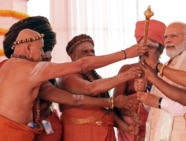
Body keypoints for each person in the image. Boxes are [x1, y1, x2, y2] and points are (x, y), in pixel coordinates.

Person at [0, 28, 147, 141]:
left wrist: (112, 102)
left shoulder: (5, 67)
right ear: (28, 48)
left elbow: (74, 99)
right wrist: (125, 54)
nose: (43, 55)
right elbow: (82, 66)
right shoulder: (32, 69)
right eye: (40, 49)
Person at [57, 34, 141, 141]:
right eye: (85, 51)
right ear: (73, 57)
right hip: (81, 134)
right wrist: (126, 75)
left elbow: (106, 109)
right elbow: (91, 89)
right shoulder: (68, 77)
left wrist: (126, 127)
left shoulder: (97, 77)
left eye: (92, 51)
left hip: (106, 134)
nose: (90, 54)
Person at [141, 21, 186, 141]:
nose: (168, 40)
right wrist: (145, 95)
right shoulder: (165, 66)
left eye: (174, 36)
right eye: (165, 37)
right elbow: (152, 107)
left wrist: (158, 102)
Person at [113, 19, 166, 141]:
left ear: (161, 50)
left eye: (151, 46)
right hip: (131, 132)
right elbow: (114, 105)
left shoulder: (168, 72)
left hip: (159, 129)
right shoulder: (127, 70)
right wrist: (127, 124)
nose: (146, 51)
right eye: (143, 47)